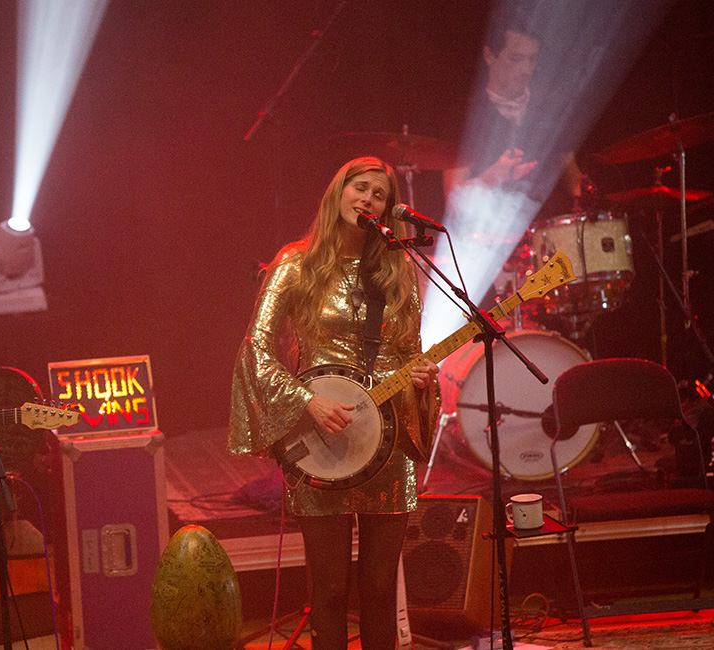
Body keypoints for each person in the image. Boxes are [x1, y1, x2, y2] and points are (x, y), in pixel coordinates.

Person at [229, 157, 441, 650]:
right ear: (337, 193)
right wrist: (307, 401)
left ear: (387, 210)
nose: (367, 199)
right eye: (360, 188)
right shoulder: (295, 261)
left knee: (381, 587)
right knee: (328, 588)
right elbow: (255, 349)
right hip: (320, 436)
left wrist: (422, 379)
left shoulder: (399, 266)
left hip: (386, 441)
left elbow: (409, 353)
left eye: (379, 195)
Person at [443, 10, 582, 228]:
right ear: (489, 55)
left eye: (532, 60)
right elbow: (455, 200)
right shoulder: (466, 116)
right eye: (516, 58)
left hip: (552, 240)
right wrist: (492, 177)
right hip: (488, 241)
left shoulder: (549, 111)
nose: (526, 69)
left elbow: (574, 179)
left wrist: (582, 199)